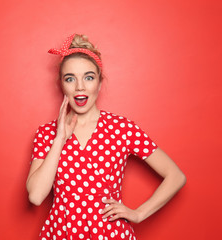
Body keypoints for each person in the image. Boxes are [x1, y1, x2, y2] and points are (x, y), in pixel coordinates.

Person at [26, 33, 186, 240]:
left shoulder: (122, 128)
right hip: (61, 233)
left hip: (109, 234)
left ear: (100, 84)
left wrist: (139, 213)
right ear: (62, 85)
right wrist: (59, 139)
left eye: (89, 77)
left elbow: (176, 176)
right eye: (70, 79)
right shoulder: (46, 134)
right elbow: (36, 196)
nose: (80, 87)